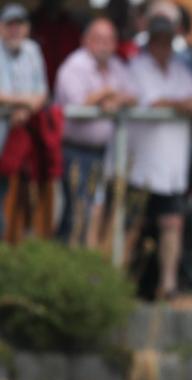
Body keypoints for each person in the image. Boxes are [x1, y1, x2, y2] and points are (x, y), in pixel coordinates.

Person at [126, 11, 192, 300]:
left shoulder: (179, 69)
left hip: (172, 166)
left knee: (172, 223)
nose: (162, 44)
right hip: (141, 165)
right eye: (158, 38)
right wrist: (187, 105)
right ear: (150, 40)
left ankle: (169, 285)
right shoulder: (137, 67)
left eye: (167, 39)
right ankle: (122, 284)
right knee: (133, 226)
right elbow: (154, 101)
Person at [55, 17, 135, 247]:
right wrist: (107, 93)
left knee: (97, 213)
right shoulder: (74, 66)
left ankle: (85, 267)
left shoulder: (117, 65)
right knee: (77, 213)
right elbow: (79, 104)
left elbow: (133, 93)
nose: (104, 45)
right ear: (86, 40)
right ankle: (66, 266)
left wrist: (111, 98)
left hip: (105, 153)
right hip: (76, 151)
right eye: (98, 39)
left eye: (109, 39)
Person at [0, 3, 50, 241]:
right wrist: (23, 103)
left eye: (19, 25)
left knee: (28, 193)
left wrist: (25, 107)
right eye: (10, 25)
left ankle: (21, 249)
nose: (14, 30)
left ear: (27, 28)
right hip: (4, 134)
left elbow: (42, 93)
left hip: (24, 136)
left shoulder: (32, 50)